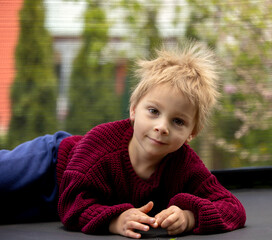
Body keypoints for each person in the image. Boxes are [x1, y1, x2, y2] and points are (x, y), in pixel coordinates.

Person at [0, 42, 246, 238]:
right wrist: (115, 220)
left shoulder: (185, 165)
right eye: (153, 112)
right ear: (133, 110)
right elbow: (73, 204)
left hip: (58, 204)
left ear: (192, 132)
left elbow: (232, 207)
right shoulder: (102, 143)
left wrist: (190, 215)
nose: (162, 127)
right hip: (49, 165)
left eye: (178, 122)